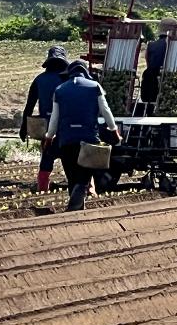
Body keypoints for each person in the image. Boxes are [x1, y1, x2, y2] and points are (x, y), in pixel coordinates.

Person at [44, 59, 121, 212]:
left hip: (67, 139)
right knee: (84, 174)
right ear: (86, 73)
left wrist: (49, 137)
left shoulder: (60, 90)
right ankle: (81, 191)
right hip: (89, 138)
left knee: (71, 174)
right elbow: (106, 111)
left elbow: (54, 118)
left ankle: (77, 206)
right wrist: (114, 131)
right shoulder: (95, 87)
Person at [20, 45, 69, 192]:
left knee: (47, 156)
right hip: (65, 125)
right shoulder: (67, 79)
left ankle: (42, 187)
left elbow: (29, 106)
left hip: (46, 125)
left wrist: (24, 127)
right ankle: (83, 186)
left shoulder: (39, 79)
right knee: (70, 157)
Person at [140, 18, 176, 105]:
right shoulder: (174, 46)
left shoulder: (151, 45)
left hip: (151, 87)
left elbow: (148, 63)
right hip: (168, 84)